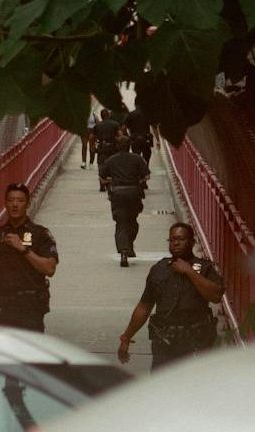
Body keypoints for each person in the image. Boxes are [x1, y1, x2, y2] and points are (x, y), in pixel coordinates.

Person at [117, 223, 224, 370]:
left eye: (181, 239)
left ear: (192, 242)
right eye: (172, 240)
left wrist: (189, 272)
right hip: (165, 343)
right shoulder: (159, 269)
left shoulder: (205, 268)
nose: (175, 243)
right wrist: (126, 337)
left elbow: (216, 296)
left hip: (196, 343)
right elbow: (144, 307)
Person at [0, 182, 58, 333]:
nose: (15, 205)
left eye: (20, 201)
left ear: (27, 204)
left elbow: (49, 269)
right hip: (1, 309)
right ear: (5, 204)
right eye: (11, 200)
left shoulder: (40, 235)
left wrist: (23, 249)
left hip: (30, 310)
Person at [99, 135, 150, 267]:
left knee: (121, 223)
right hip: (133, 193)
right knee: (132, 221)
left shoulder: (111, 160)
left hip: (117, 194)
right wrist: (137, 181)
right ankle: (129, 244)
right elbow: (146, 176)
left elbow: (102, 178)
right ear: (130, 146)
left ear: (117, 146)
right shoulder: (137, 159)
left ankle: (124, 251)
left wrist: (112, 181)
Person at [92, 110, 122, 191]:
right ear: (108, 115)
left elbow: (91, 137)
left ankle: (102, 184)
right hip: (113, 148)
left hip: (101, 148)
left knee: (101, 165)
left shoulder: (97, 126)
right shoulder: (115, 124)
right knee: (113, 165)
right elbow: (120, 136)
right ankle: (111, 183)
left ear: (101, 116)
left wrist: (93, 146)